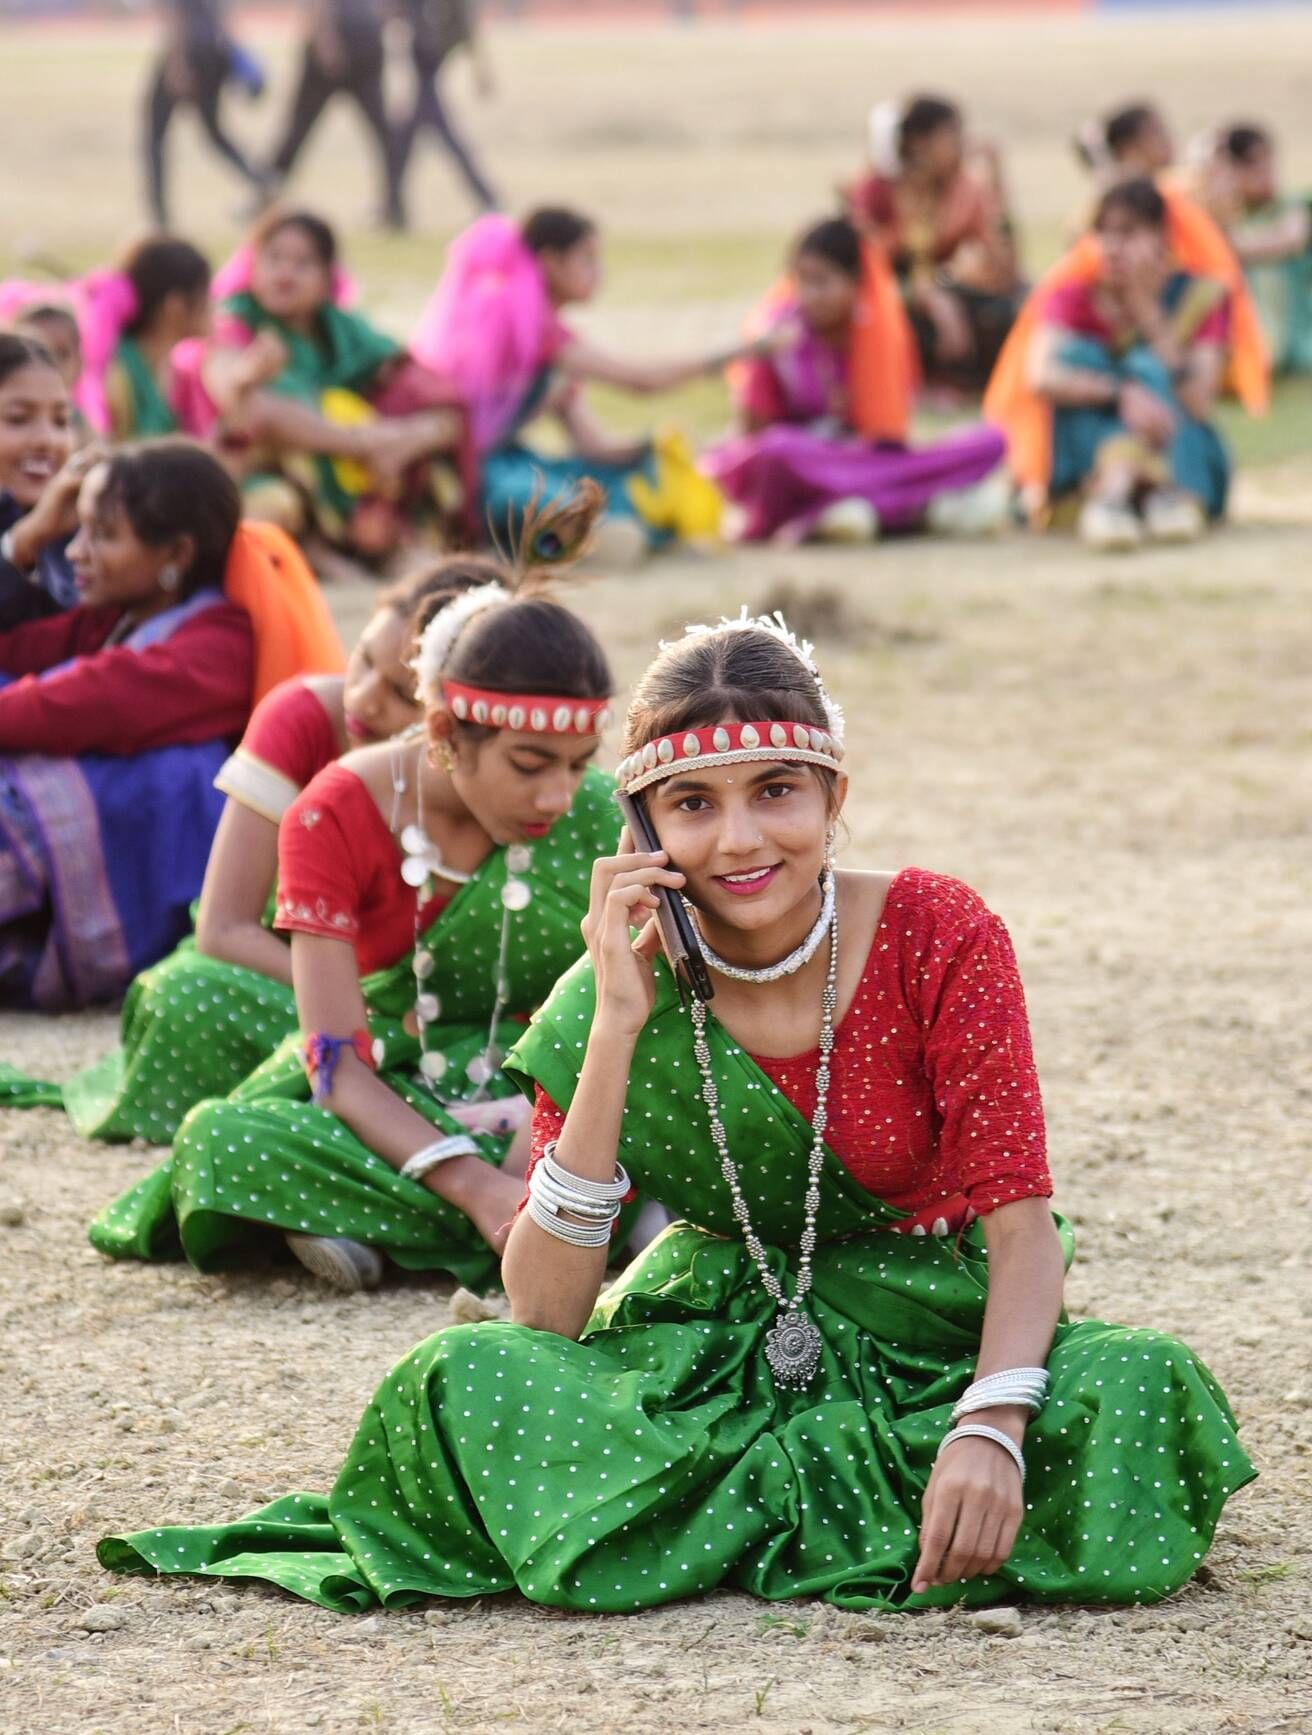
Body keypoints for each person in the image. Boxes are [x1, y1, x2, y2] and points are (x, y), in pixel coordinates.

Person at [97, 609, 1253, 1613]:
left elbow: (1020, 1231)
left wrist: (993, 1425)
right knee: (455, 1382)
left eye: (777, 792)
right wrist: (612, 1020)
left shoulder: (938, 934)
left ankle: (746, 1516)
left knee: (1137, 1384)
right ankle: (846, 1517)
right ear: (639, 827)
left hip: (931, 1339)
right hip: (698, 1353)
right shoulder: (614, 986)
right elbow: (545, 1313)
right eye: (691, 804)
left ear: (834, 794)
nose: (741, 838)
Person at [88, 486, 622, 1288]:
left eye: (576, 765)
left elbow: (635, 1005)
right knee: (221, 1141)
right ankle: (547, 1223)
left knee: (669, 1098)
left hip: (550, 1082)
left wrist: (538, 1139)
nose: (558, 795)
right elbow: (337, 1066)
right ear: (444, 734)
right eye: (529, 765)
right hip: (398, 1074)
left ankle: (406, 1228)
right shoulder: (329, 814)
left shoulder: (594, 811)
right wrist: (481, 1187)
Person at [25, 554, 503, 1148]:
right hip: (282, 974)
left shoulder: (503, 776)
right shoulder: (304, 717)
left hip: (430, 1002)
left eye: (401, 694)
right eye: (363, 662)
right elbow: (224, 928)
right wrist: (355, 1006)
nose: (365, 699)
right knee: (184, 999)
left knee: (504, 1049)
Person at [0, 442, 254, 1008]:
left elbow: (78, 703)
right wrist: (29, 535)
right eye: (79, 529)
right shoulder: (117, 618)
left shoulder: (218, 644)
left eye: (104, 535)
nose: (76, 551)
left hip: (133, 877)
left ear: (177, 553)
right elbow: (15, 654)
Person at [412, 208, 741, 551]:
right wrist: (735, 355)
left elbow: (595, 447)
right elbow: (640, 380)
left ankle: (594, 532)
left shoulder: (548, 343)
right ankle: (578, 537)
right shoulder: (533, 333)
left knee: (606, 482)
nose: (598, 274)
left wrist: (652, 448)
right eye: (587, 259)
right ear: (551, 262)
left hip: (515, 460)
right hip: (476, 473)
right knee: (536, 497)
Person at [704, 218, 1006, 543]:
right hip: (795, 465)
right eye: (802, 281)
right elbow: (754, 436)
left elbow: (887, 440)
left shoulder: (879, 337)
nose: (809, 295)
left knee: (991, 440)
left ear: (856, 282)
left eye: (822, 282)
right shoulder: (777, 337)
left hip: (862, 463)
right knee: (779, 448)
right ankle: (907, 505)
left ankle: (844, 508)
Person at [199, 208, 472, 558]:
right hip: (270, 473)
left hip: (366, 472)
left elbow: (436, 395)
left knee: (423, 409)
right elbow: (234, 394)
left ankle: (389, 540)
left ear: (328, 277)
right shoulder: (236, 324)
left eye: (302, 263)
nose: (285, 273)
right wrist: (248, 374)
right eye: (274, 259)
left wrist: (407, 438)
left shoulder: (344, 332)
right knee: (268, 450)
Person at [1020, 182, 1232, 550]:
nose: (1113, 247)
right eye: (1104, 233)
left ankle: (1122, 494)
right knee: (1076, 360)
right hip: (1097, 447)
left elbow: (1198, 404)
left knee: (1147, 366)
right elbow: (1040, 375)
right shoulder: (1075, 296)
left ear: (1162, 239)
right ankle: (1130, 490)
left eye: (1128, 233)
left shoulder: (1199, 297)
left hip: (1182, 452)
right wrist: (1121, 394)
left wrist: (1148, 315)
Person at [849, 95, 1023, 395]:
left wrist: (997, 183)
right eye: (952, 135)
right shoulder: (877, 190)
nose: (962, 145)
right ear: (919, 143)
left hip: (945, 291)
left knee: (1015, 305)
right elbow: (862, 264)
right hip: (883, 295)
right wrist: (925, 295)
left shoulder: (962, 188)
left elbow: (1005, 261)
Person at [265, 0, 404, 230]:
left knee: (384, 136)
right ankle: (267, 197)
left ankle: (395, 206)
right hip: (340, 44)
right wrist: (325, 40)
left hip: (363, 48)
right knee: (297, 131)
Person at [1194, 124, 1312, 376]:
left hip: (1297, 333)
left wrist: (1232, 248)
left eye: (1268, 163)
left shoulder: (1292, 207)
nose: (1266, 173)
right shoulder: (1222, 217)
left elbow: (1290, 240)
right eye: (1253, 166)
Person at [144, 0, 269, 226]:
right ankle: (261, 181)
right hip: (213, 52)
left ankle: (159, 216)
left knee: (156, 138)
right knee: (214, 133)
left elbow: (176, 14)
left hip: (189, 52)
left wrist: (177, 63)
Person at [0, 335, 82, 630]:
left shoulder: (76, 528)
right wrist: (19, 546)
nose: (48, 440)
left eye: (61, 420)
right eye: (18, 418)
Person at [395, 0, 499, 217]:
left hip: (428, 65)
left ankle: (487, 197)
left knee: (412, 140)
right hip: (424, 69)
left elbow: (465, 27)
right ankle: (393, 204)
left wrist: (480, 70)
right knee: (403, 142)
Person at [103, 237, 213, 439]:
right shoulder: (118, 374)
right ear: (175, 306)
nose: (214, 305)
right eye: (206, 295)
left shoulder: (174, 367)